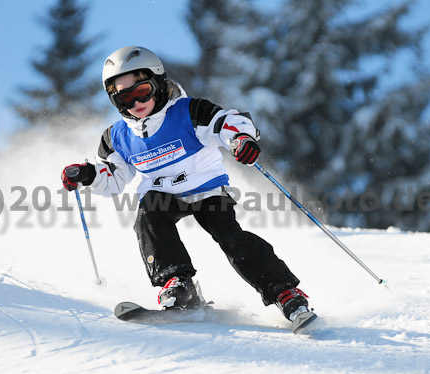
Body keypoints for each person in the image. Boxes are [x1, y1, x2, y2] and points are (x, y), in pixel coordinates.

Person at [61, 46, 311, 323]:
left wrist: (241, 139)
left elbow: (227, 122)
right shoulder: (117, 136)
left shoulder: (189, 111)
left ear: (158, 83)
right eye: (124, 98)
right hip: (162, 193)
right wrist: (87, 175)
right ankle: (178, 285)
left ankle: (286, 294)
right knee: (149, 219)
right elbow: (114, 179)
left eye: (141, 91)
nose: (135, 103)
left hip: (208, 188)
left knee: (230, 238)